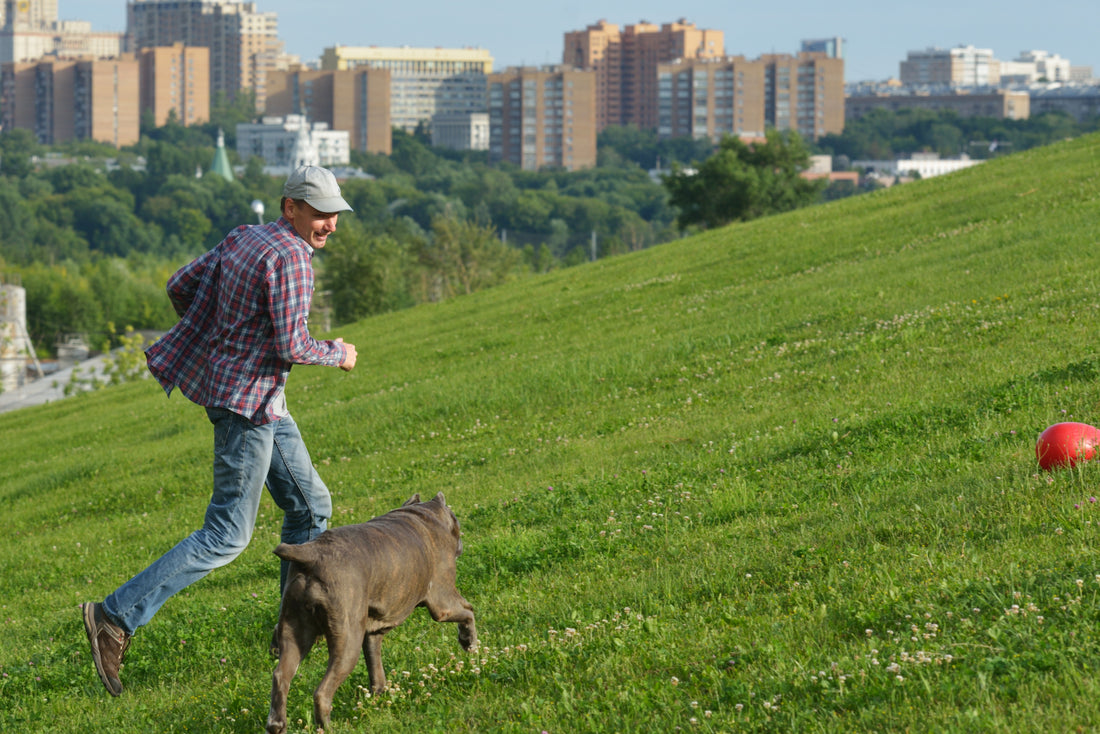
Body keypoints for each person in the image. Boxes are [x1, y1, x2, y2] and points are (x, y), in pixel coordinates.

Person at [81, 165, 359, 697]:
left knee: (310, 505)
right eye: (320, 213)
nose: (329, 224)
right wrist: (339, 354)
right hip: (248, 406)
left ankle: (291, 629)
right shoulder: (292, 257)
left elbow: (179, 285)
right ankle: (114, 617)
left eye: (334, 214)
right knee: (227, 535)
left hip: (252, 398)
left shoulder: (243, 238)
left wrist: (226, 338)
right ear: (290, 207)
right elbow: (292, 347)